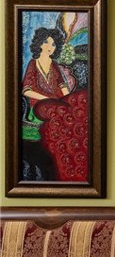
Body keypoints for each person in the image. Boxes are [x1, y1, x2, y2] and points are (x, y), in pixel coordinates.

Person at [20, 27, 75, 180]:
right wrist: (46, 99)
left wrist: (69, 102)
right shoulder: (33, 64)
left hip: (57, 107)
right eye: (46, 42)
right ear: (39, 44)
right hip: (38, 109)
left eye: (54, 44)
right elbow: (26, 90)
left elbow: (64, 87)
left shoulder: (55, 66)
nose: (50, 47)